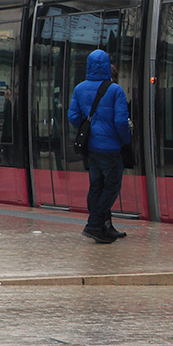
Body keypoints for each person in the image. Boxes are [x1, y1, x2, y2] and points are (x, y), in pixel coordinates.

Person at [67, 49, 131, 243]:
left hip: (91, 148)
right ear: (106, 65)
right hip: (110, 148)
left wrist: (90, 128)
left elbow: (73, 117)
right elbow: (121, 122)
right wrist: (125, 140)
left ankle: (105, 227)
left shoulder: (79, 88)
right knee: (111, 187)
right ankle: (94, 225)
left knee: (96, 186)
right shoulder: (115, 90)